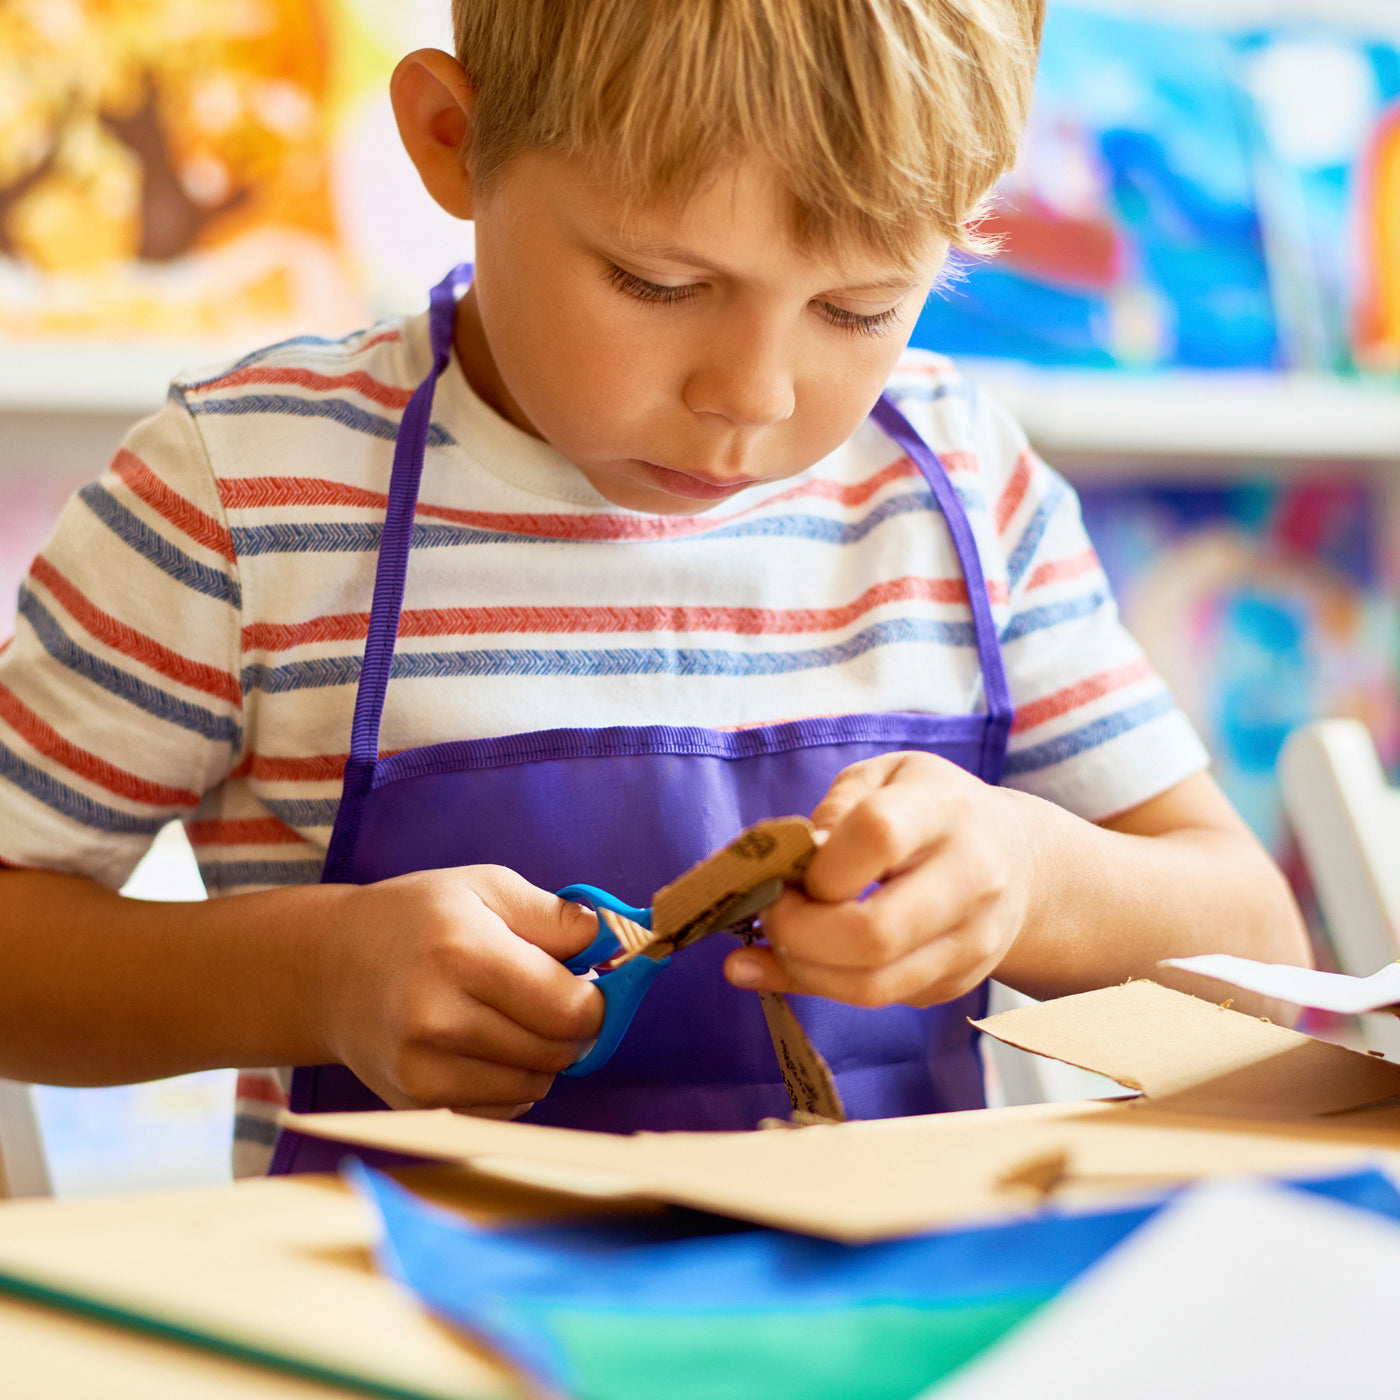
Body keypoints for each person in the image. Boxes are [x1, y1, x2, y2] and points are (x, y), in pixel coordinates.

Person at [0, 0, 1309, 1177]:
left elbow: (1255, 942)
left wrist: (1029, 879)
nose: (753, 396)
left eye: (859, 306)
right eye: (661, 282)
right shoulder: (247, 492)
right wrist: (312, 978)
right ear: (457, 140)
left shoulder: (968, 490)